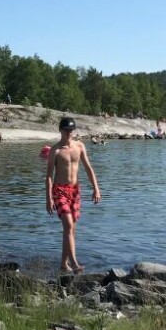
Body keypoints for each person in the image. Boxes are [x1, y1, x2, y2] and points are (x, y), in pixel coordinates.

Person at [46, 117, 101, 273]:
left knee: (71, 230)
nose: (69, 133)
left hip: (75, 190)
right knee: (69, 226)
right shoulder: (55, 150)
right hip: (59, 190)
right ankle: (75, 263)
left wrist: (96, 188)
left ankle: (63, 264)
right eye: (66, 130)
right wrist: (48, 198)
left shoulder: (80, 146)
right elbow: (49, 175)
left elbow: (88, 168)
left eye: (71, 130)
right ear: (61, 130)